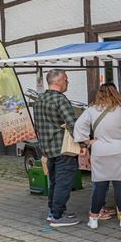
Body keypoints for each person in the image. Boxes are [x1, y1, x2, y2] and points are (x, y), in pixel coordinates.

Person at [74, 83, 121, 229]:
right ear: (115, 93)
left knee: (100, 184)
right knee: (120, 184)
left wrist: (87, 141)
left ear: (99, 93)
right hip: (120, 149)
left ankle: (93, 219)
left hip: (100, 150)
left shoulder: (91, 110)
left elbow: (78, 126)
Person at [32, 69, 80, 227]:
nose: (67, 83)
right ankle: (58, 217)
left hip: (46, 147)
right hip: (62, 147)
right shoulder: (61, 100)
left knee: (54, 182)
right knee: (63, 182)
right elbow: (72, 124)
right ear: (58, 81)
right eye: (66, 80)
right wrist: (84, 144)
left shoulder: (39, 99)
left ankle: (53, 211)